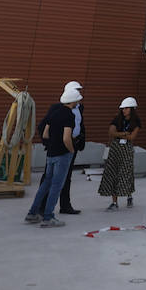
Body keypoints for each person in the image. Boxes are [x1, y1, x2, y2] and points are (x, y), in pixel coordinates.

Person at [24, 86, 78, 227]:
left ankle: (32, 213)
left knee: (46, 184)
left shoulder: (54, 113)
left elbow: (45, 134)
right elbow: (67, 138)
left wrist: (51, 144)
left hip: (51, 154)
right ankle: (48, 217)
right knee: (56, 186)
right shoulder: (69, 116)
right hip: (62, 155)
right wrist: (71, 151)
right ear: (73, 101)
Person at [99, 97, 142, 210]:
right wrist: (123, 134)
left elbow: (132, 137)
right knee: (113, 173)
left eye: (126, 108)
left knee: (126, 173)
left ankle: (129, 195)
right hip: (115, 149)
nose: (124, 110)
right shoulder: (117, 119)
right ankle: (114, 202)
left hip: (126, 150)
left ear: (132, 109)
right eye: (123, 108)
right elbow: (111, 132)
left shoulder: (136, 122)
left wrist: (119, 134)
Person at [56, 80, 85, 214]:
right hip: (63, 144)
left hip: (74, 142)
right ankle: (42, 207)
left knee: (67, 177)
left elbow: (80, 124)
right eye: (77, 91)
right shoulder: (59, 109)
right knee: (54, 177)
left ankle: (65, 205)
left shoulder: (79, 107)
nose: (79, 94)